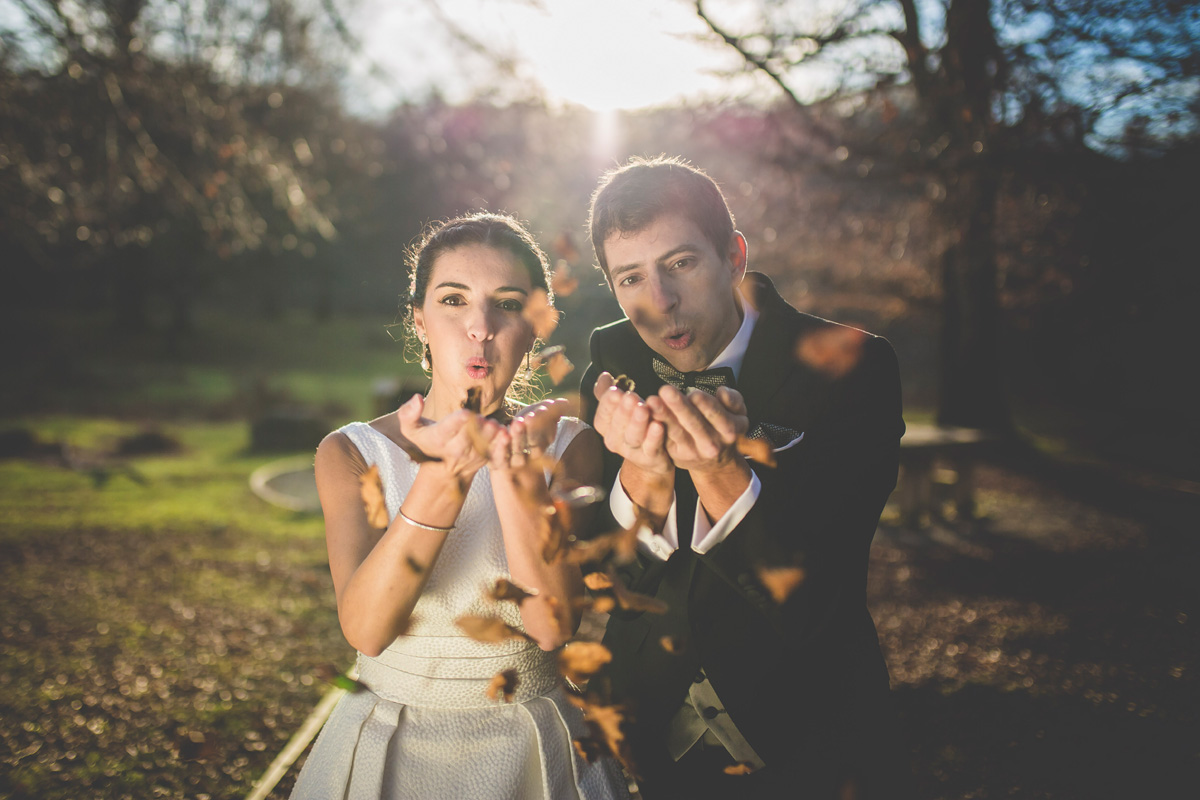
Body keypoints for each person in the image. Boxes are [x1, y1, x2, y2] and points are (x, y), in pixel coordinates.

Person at [579, 157, 909, 799]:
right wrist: (640, 484)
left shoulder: (855, 365)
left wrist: (719, 472)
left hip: (810, 731)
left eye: (680, 263)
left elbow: (821, 590)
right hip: (642, 733)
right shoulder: (611, 360)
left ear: (733, 255)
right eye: (631, 278)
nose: (660, 301)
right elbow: (606, 580)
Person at [292, 213, 628, 800]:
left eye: (507, 303)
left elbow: (553, 626)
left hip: (533, 743)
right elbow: (367, 630)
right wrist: (441, 482)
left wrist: (515, 479)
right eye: (454, 300)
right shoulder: (350, 453)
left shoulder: (571, 446)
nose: (480, 326)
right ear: (419, 320)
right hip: (387, 744)